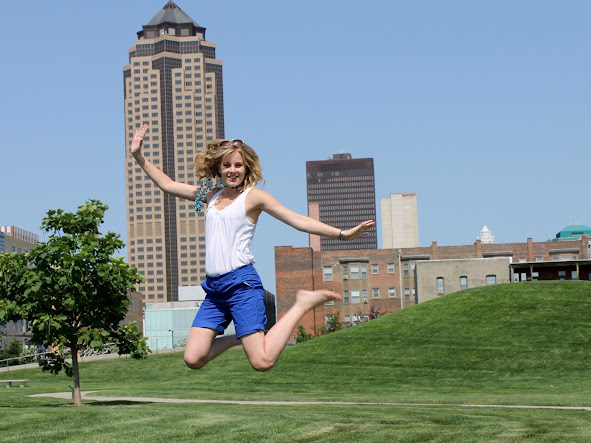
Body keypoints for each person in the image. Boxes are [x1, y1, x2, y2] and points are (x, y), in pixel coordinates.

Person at [130, 124, 375, 371]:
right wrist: (139, 156)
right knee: (193, 358)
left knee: (262, 361)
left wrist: (342, 234)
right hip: (215, 290)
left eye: (238, 165)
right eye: (227, 165)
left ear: (246, 168)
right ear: (218, 168)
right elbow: (168, 185)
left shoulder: (253, 197)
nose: (232, 170)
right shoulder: (211, 195)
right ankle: (241, 338)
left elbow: (297, 220)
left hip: (242, 285)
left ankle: (302, 303)